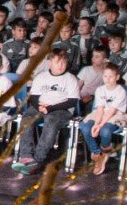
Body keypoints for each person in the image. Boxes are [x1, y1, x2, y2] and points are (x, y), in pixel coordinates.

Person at [12, 48, 79, 176]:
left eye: (63, 63)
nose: (61, 66)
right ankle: (26, 157)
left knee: (51, 121)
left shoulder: (71, 79)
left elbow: (72, 101)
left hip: (61, 109)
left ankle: (37, 160)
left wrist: (50, 108)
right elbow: (34, 97)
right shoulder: (41, 76)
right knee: (26, 119)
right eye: (57, 62)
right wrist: (40, 107)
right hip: (41, 106)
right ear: (49, 63)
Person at [79, 64, 127, 176]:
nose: (107, 79)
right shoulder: (100, 90)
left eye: (111, 76)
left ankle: (105, 149)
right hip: (101, 114)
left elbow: (112, 111)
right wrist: (96, 124)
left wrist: (100, 126)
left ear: (117, 77)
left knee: (105, 131)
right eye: (105, 76)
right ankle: (98, 154)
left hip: (116, 114)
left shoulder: (120, 91)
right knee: (85, 126)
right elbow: (100, 109)